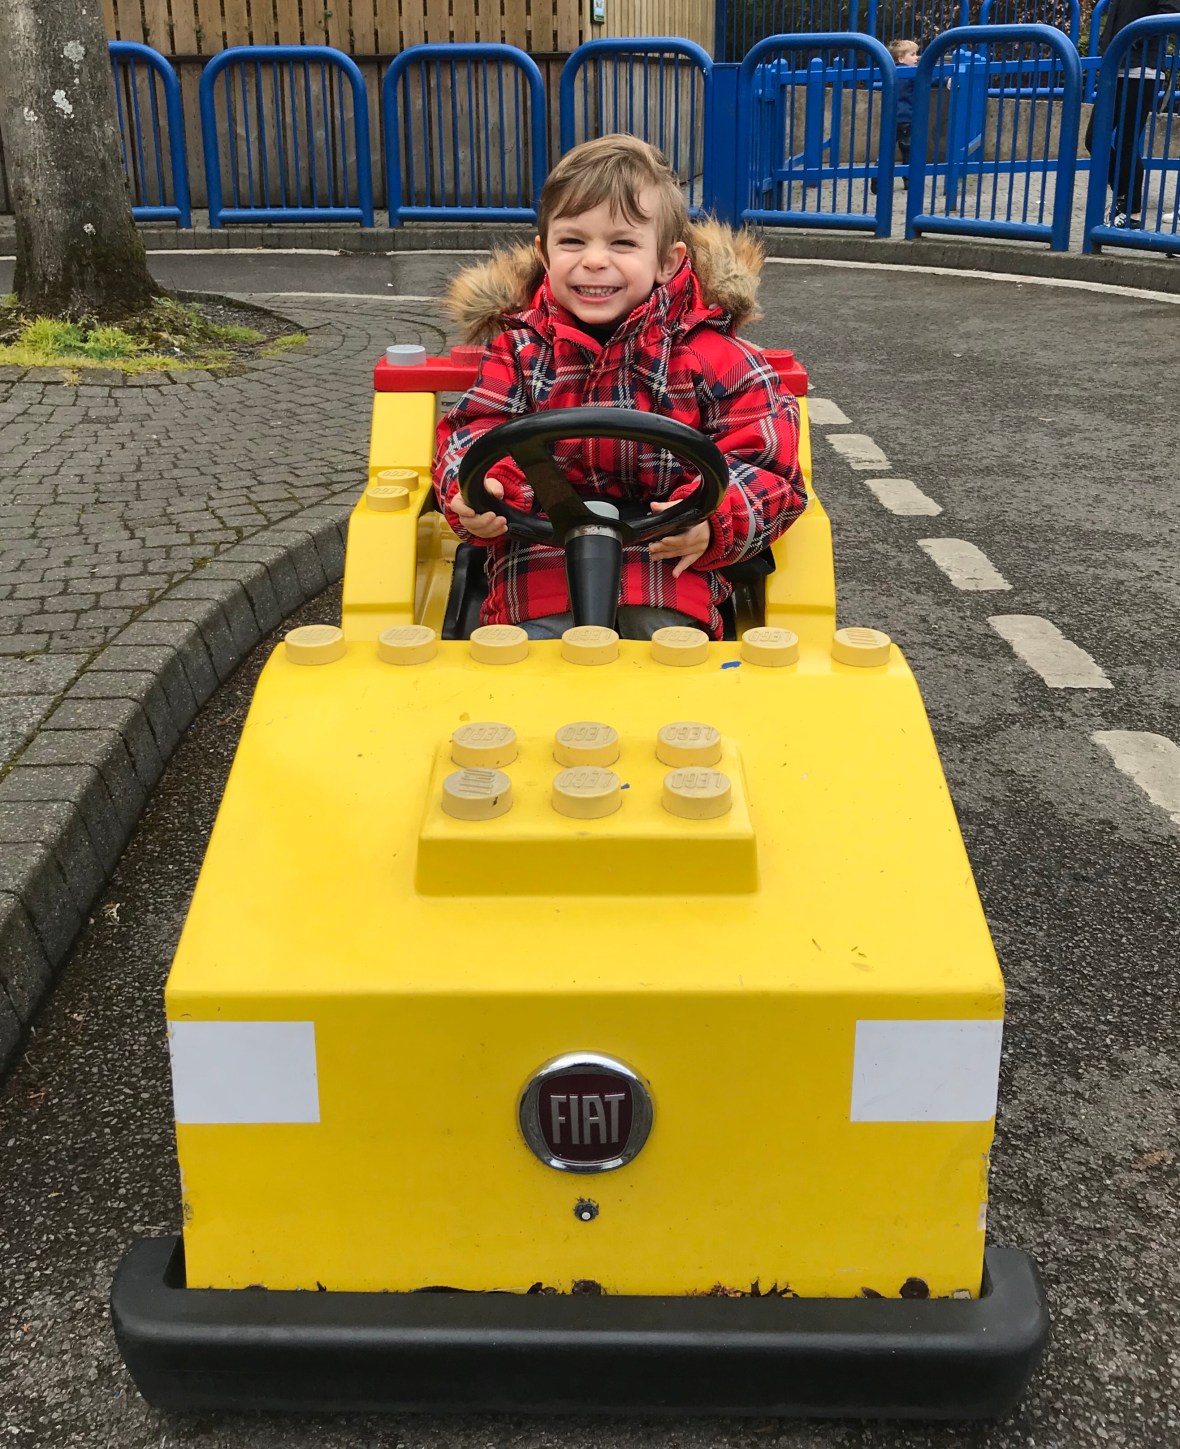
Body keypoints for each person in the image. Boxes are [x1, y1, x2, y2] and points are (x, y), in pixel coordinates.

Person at [432, 134, 806, 641]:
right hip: (543, 546)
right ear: (545, 254)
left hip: (668, 549)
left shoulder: (717, 356)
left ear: (667, 261)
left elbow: (767, 463)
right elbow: (473, 431)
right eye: (573, 241)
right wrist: (481, 491)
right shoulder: (518, 351)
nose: (593, 260)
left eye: (623, 243)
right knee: (531, 641)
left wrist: (715, 519)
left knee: (669, 638)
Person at [1087, 0, 1180, 228]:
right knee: (1094, 138)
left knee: (1125, 141)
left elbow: (1171, 10)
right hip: (1116, 65)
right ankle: (1124, 198)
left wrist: (1135, 38)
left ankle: (1132, 211)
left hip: (1142, 69)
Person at [872, 39, 919, 195]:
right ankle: (909, 181)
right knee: (908, 150)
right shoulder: (911, 73)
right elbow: (930, 79)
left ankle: (877, 179)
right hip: (906, 118)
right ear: (901, 59)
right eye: (913, 54)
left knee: (886, 150)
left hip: (889, 119)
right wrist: (946, 81)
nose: (917, 57)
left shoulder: (889, 73)